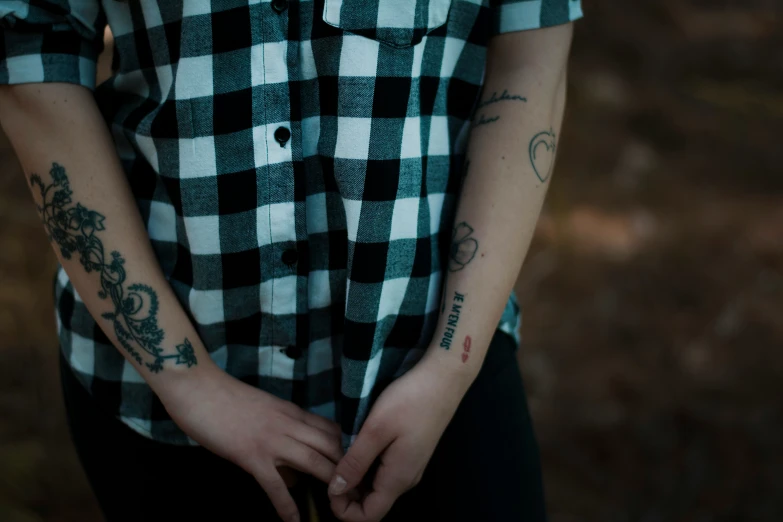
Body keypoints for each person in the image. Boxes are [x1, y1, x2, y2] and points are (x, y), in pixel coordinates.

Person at [0, 0, 581, 520]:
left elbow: (531, 45)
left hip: (433, 344)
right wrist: (188, 380)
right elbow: (33, 42)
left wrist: (452, 364)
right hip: (164, 367)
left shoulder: (447, 361)